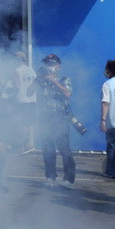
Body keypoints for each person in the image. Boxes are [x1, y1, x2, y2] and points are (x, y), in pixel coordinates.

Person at [36, 53, 76, 187]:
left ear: (58, 67)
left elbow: (68, 93)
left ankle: (68, 179)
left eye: (51, 64)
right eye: (47, 64)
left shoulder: (64, 79)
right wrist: (36, 79)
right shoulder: (41, 80)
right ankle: (50, 177)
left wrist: (53, 81)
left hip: (60, 117)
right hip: (45, 117)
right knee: (47, 148)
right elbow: (29, 92)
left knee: (64, 149)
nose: (49, 67)